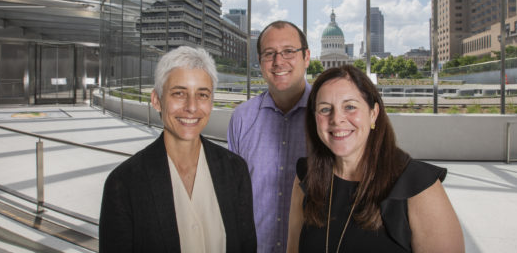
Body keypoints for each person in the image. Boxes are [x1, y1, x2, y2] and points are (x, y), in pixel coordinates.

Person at [287, 65, 464, 253]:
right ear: (314, 118)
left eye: (350, 107)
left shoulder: (418, 186)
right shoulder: (306, 176)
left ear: (374, 113)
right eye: (324, 109)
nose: (337, 119)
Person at [100, 46, 256, 253]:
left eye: (202, 95)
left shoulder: (235, 170)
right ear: (156, 100)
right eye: (179, 93)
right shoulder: (124, 183)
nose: (192, 107)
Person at [228, 20, 311, 252]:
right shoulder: (242, 119)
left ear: (306, 57)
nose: (278, 61)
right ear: (260, 62)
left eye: (288, 51)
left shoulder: (329, 116)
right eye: (269, 54)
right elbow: (232, 196)